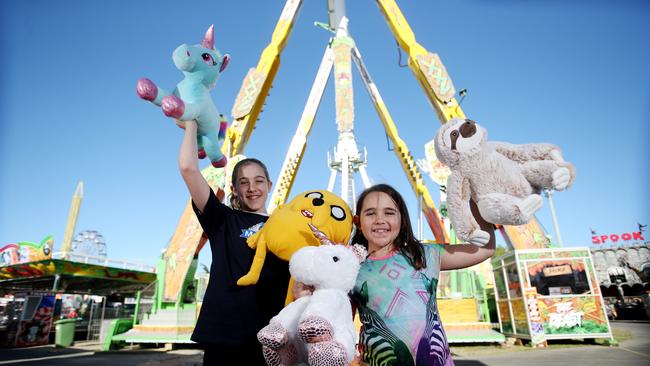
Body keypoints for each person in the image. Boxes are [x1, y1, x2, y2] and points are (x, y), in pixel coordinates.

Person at [178, 120, 290, 365]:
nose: (252, 188)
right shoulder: (223, 220)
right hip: (224, 338)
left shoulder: (286, 228)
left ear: (269, 185)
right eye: (244, 182)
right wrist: (190, 126)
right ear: (235, 188)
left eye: (259, 181)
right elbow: (188, 169)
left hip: (271, 339)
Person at [350, 184, 495, 366]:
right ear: (358, 223)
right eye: (370, 213)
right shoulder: (352, 269)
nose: (380, 219)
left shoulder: (425, 255)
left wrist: (477, 196)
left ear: (402, 220)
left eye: (389, 212)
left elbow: (484, 250)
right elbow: (341, 323)